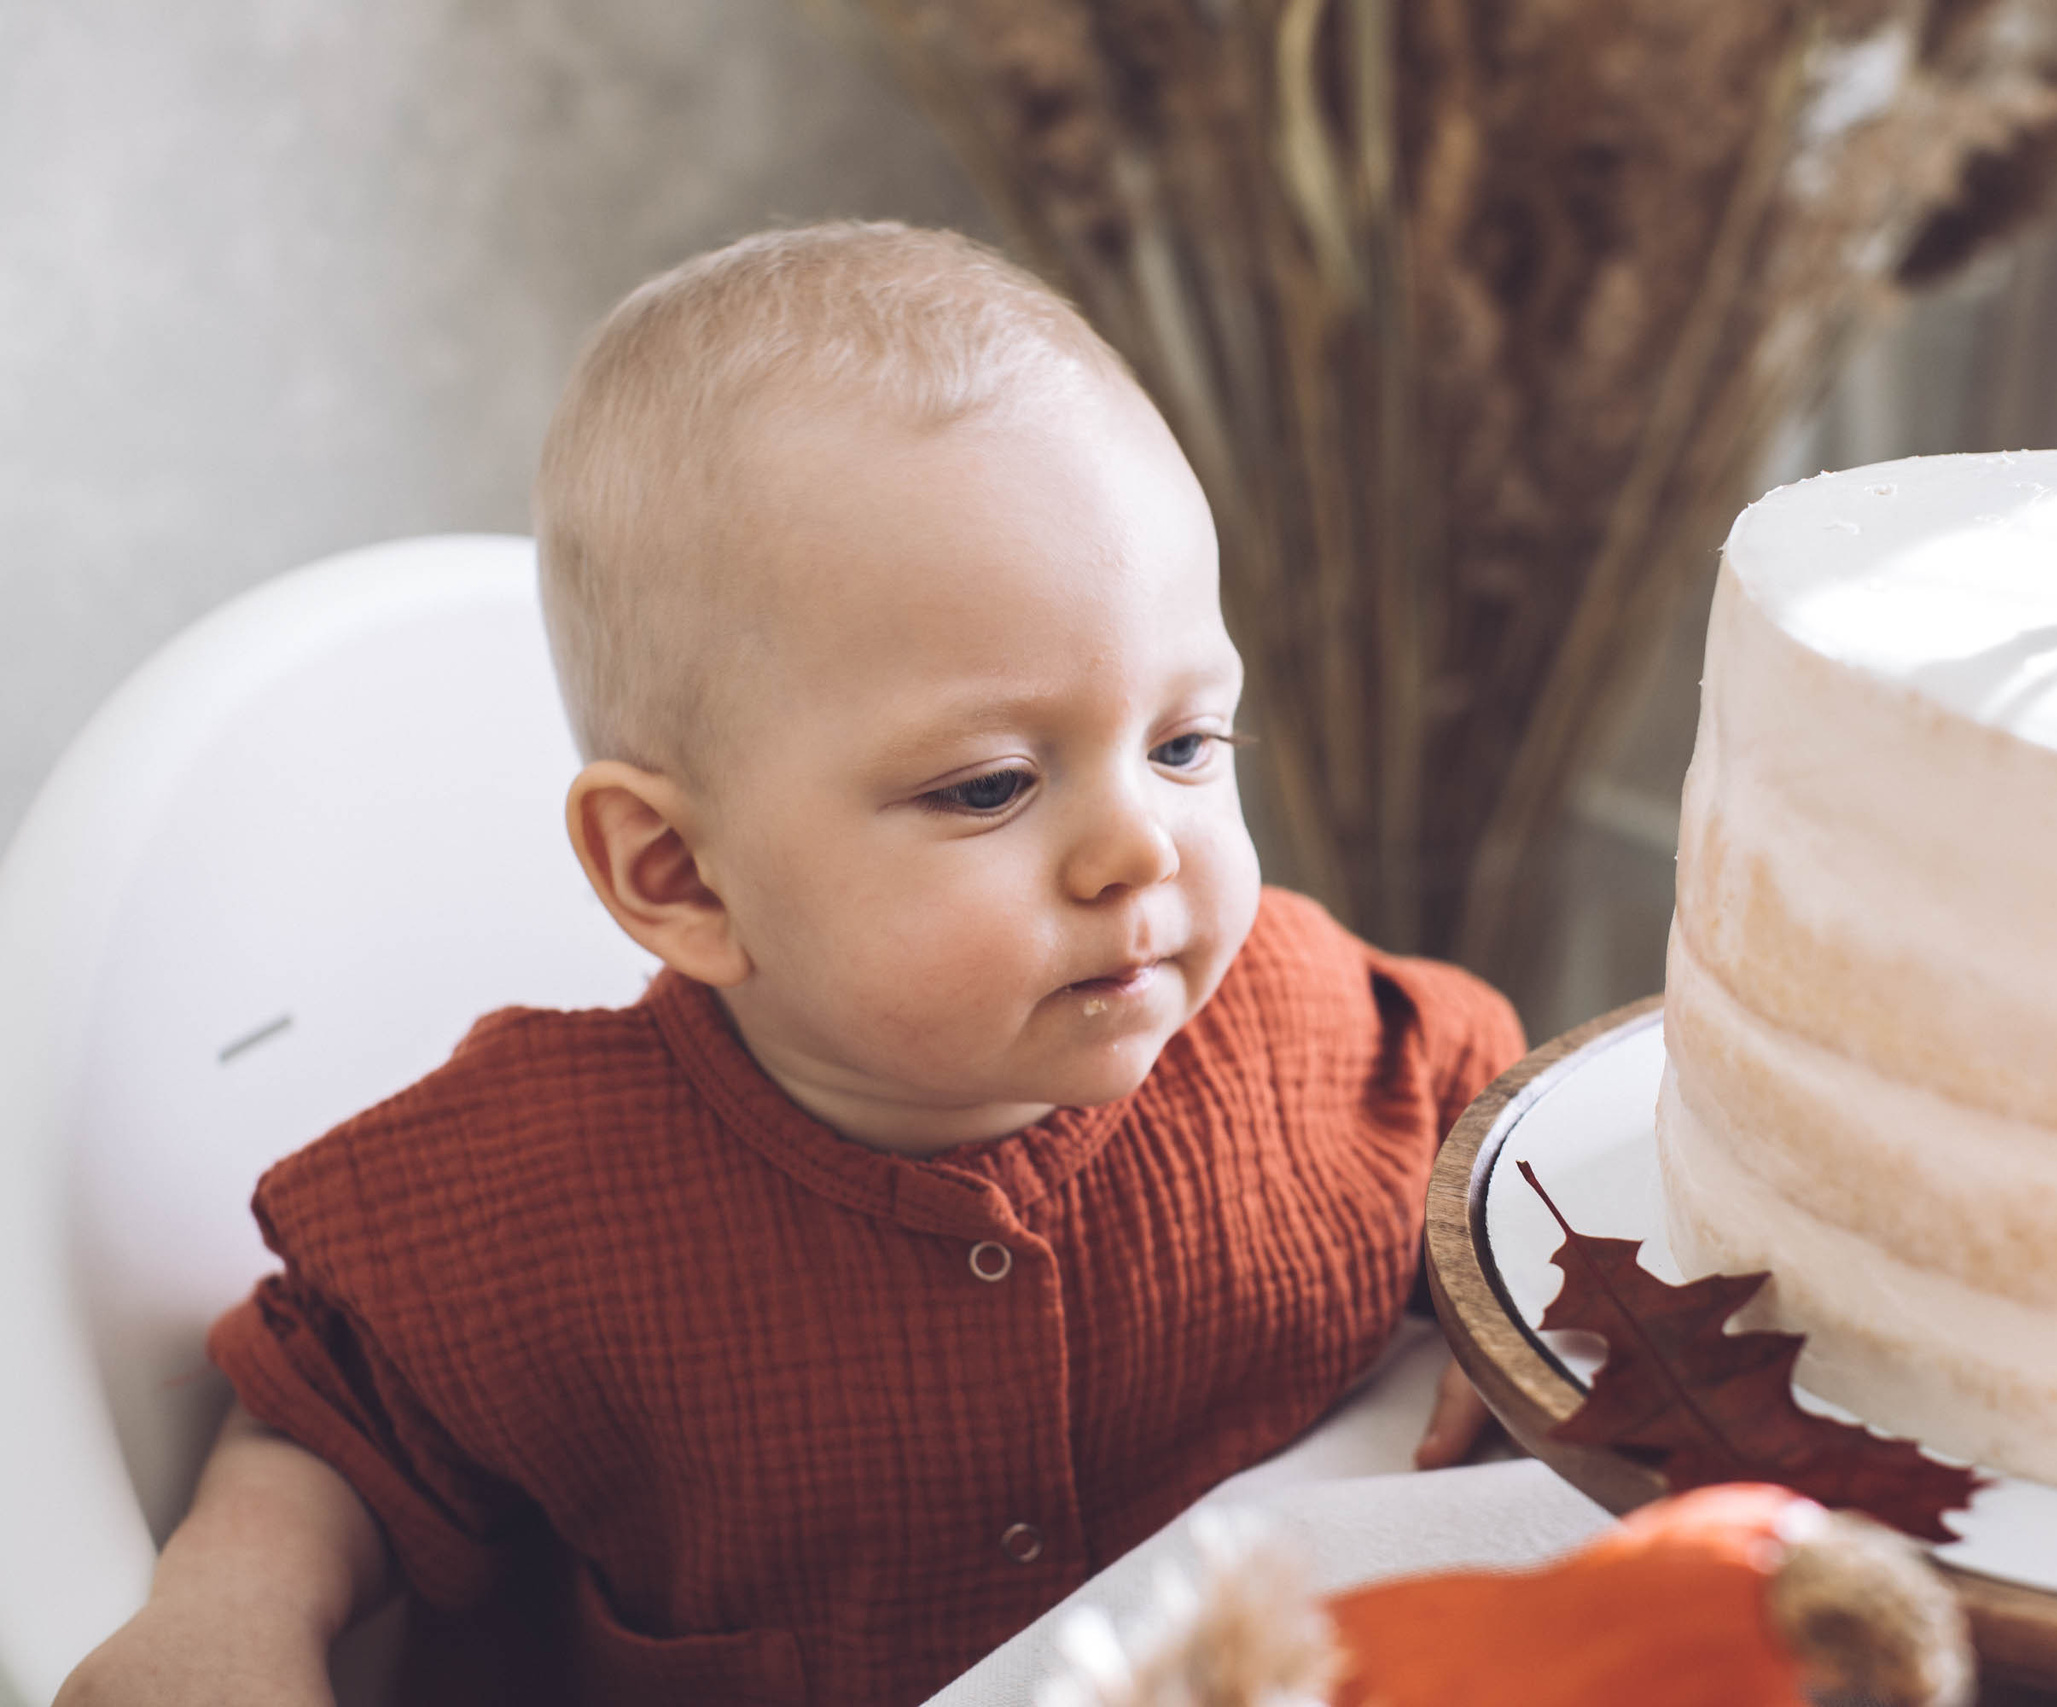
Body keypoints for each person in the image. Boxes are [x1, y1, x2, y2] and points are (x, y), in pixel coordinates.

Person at [57, 222, 1523, 1707]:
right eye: (990, 787)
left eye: (1184, 743)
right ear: (678, 875)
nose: (1139, 849)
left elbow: (1511, 1125)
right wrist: (230, 1606)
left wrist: (1512, 1304)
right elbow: (337, 1427)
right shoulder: (539, 1198)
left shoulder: (1307, 1021)